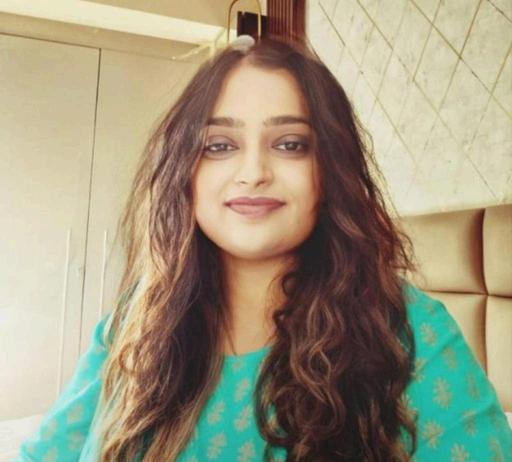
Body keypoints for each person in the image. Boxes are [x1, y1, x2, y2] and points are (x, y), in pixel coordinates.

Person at [13, 36, 511, 462]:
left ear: (329, 172)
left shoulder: (408, 331)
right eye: (219, 145)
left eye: (290, 144)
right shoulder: (135, 320)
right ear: (185, 171)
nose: (253, 172)